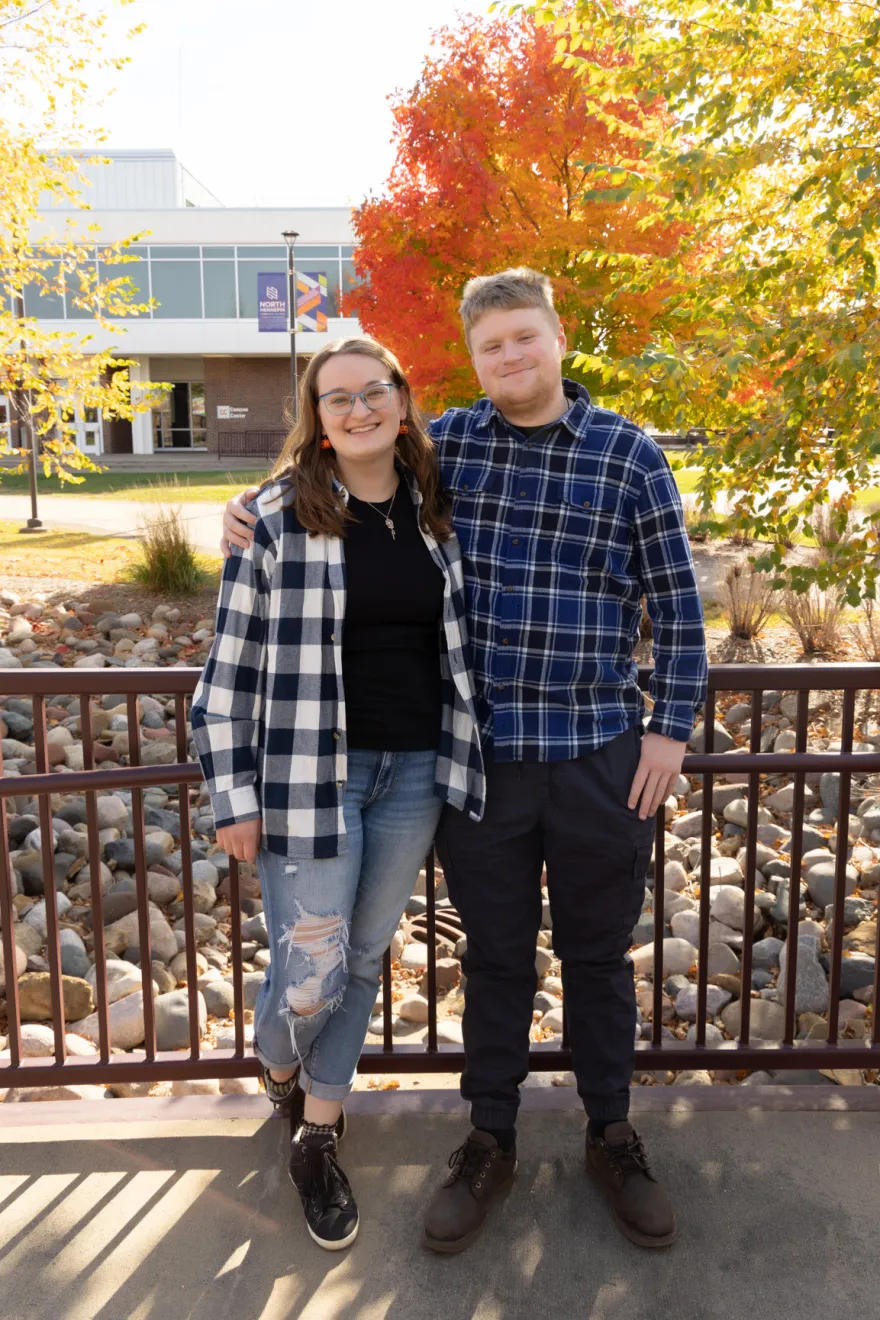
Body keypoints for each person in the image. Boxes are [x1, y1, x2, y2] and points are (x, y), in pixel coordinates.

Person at [221, 268, 708, 1252]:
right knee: (491, 959)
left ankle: (610, 1133)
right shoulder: (450, 447)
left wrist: (671, 725)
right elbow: (340, 449)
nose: (509, 358)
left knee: (598, 958)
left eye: (524, 338)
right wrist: (244, 507)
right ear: (473, 359)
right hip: (477, 765)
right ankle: (489, 1138)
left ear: (557, 337)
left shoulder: (629, 456)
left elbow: (680, 607)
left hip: (598, 756)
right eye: (490, 346)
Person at [192, 336, 485, 1252]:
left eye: (373, 393)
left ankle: (316, 1134)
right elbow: (227, 674)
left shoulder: (439, 509)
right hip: (310, 781)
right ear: (315, 422)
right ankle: (277, 1060)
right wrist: (232, 796)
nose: (357, 410)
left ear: (402, 400)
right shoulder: (278, 518)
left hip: (416, 774)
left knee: (361, 960)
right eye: (335, 399)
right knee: (310, 970)